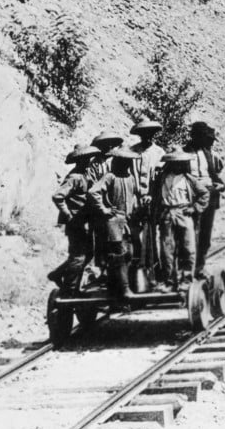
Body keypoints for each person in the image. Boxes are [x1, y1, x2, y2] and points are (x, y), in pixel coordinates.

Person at [87, 147, 142, 303]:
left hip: (127, 220)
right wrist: (104, 209)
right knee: (119, 254)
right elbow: (93, 192)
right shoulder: (109, 177)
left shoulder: (130, 177)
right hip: (114, 221)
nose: (127, 164)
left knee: (129, 253)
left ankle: (118, 288)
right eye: (124, 161)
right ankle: (124, 290)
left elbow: (135, 195)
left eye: (128, 162)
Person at [47, 144, 100, 293]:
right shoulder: (74, 177)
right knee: (78, 257)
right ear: (80, 160)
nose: (89, 161)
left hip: (84, 221)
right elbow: (58, 196)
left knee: (88, 253)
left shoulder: (85, 175)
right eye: (86, 159)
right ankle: (70, 289)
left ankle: (58, 274)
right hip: (76, 223)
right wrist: (69, 215)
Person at [154, 150, 209, 286]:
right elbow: (155, 196)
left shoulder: (189, 179)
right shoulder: (162, 178)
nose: (177, 166)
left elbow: (204, 194)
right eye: (174, 163)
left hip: (183, 213)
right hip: (167, 214)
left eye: (180, 163)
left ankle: (187, 278)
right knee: (167, 249)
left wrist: (194, 208)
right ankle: (169, 279)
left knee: (188, 247)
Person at [183, 121, 225, 273]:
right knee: (189, 231)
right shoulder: (183, 154)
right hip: (190, 196)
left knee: (205, 232)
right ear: (193, 136)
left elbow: (217, 175)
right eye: (198, 136)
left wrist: (220, 185)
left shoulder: (211, 155)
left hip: (209, 196)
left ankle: (200, 265)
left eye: (203, 136)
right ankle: (187, 265)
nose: (201, 139)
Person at [130, 121, 165, 289]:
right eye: (144, 134)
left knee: (151, 236)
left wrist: (152, 195)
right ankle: (137, 272)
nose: (147, 137)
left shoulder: (159, 153)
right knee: (134, 236)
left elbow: (160, 179)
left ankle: (155, 272)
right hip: (135, 201)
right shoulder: (132, 152)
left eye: (150, 133)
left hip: (153, 201)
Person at [87, 131, 124, 277]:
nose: (107, 147)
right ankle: (101, 270)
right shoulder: (94, 164)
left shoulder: (117, 160)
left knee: (117, 239)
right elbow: (92, 185)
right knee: (101, 238)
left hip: (115, 203)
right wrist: (101, 205)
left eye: (110, 144)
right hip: (99, 204)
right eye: (104, 144)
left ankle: (116, 271)